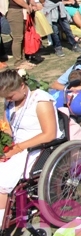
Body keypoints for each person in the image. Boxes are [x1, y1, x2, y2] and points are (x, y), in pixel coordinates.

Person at [0, 70, 61, 223]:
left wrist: (18, 148)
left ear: (22, 86)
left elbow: (49, 134)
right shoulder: (10, 101)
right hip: (16, 146)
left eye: (10, 96)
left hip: (38, 147)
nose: (8, 100)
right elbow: (9, 127)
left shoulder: (40, 100)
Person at [0, 0, 35, 69]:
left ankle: (23, 59)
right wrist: (26, 5)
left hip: (20, 9)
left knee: (22, 35)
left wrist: (30, 3)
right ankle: (18, 62)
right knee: (17, 37)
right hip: (14, 9)